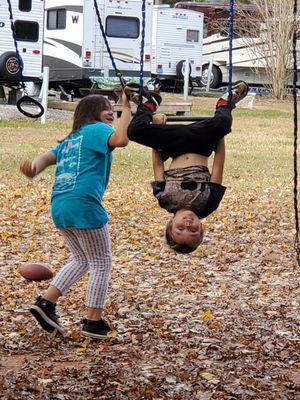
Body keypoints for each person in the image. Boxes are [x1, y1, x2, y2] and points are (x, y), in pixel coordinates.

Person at [20, 92, 131, 338]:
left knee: (81, 259)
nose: (111, 112)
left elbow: (46, 158)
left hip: (60, 206)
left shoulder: (71, 139)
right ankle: (93, 322)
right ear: (91, 113)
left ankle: (46, 303)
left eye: (112, 108)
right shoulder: (96, 130)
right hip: (84, 204)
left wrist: (33, 168)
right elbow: (121, 139)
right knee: (101, 262)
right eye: (105, 108)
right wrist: (127, 107)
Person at [125, 80, 248, 254]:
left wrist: (156, 133)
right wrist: (220, 134)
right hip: (201, 144)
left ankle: (149, 101)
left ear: (171, 224)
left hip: (173, 145)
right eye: (193, 230)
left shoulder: (165, 200)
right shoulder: (208, 204)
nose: (187, 225)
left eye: (180, 229)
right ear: (201, 228)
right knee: (224, 123)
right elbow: (218, 167)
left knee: (134, 132)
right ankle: (226, 101)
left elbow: (158, 164)